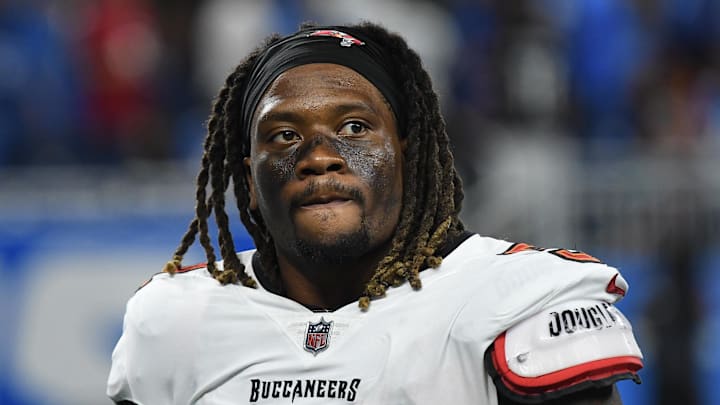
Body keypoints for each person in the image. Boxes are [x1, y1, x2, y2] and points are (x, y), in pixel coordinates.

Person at [107, 22, 643, 404]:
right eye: (285, 135)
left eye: (355, 129)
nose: (319, 157)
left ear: (408, 160)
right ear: (248, 181)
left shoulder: (518, 299)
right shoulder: (172, 322)